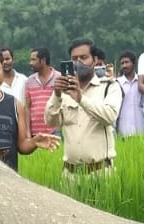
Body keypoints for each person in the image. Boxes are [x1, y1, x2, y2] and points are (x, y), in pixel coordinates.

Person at [45, 37, 123, 174]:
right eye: (74, 58)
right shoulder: (64, 92)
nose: (78, 62)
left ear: (95, 60)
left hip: (100, 172)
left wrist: (81, 98)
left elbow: (110, 117)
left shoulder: (109, 86)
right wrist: (56, 94)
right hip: (70, 174)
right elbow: (51, 122)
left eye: (84, 57)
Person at [25, 48, 60, 136]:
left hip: (54, 131)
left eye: (33, 60)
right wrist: (28, 132)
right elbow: (28, 108)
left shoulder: (59, 78)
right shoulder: (29, 80)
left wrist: (58, 129)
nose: (30, 63)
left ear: (43, 60)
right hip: (35, 134)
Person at [116, 51, 144, 136]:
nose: (124, 66)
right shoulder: (117, 83)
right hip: (123, 128)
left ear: (133, 63)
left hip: (140, 126)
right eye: (122, 63)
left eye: (127, 62)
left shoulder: (142, 82)